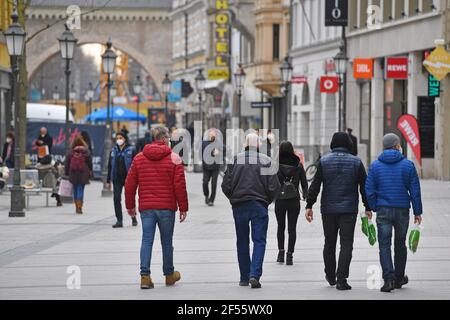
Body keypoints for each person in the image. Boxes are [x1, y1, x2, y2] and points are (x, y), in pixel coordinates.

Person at [305, 132, 371, 291]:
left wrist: (309, 205)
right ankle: (342, 279)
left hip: (328, 209)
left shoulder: (324, 161)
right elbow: (364, 187)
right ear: (348, 144)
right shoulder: (356, 162)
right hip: (349, 210)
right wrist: (368, 207)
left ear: (333, 143)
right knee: (346, 244)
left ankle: (330, 275)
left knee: (329, 242)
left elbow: (315, 185)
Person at [125, 126, 188, 290]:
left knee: (147, 240)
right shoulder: (174, 158)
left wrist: (130, 206)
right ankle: (169, 275)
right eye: (168, 137)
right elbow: (179, 185)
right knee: (167, 242)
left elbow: (130, 184)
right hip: (167, 207)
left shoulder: (139, 158)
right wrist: (183, 207)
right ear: (164, 138)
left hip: (147, 208)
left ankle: (145, 276)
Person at [221, 133, 281, 289]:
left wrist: (233, 198)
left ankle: (243, 277)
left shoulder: (235, 160)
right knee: (259, 240)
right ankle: (255, 275)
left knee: (242, 241)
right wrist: (267, 201)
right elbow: (274, 187)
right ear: (259, 145)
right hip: (259, 205)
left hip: (239, 205)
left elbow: (225, 185)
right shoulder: (266, 161)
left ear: (245, 144)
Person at [365, 133, 423, 293]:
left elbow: (368, 189)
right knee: (400, 244)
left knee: (384, 245)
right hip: (402, 210)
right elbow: (415, 190)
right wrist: (418, 211)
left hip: (383, 210)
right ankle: (399, 277)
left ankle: (388, 279)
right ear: (397, 145)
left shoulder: (375, 166)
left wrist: (373, 206)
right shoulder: (408, 165)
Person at [275, 141, 308, 265]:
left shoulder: (276, 165)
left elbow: (271, 184)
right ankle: (290, 256)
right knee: (292, 228)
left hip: (280, 200)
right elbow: (304, 184)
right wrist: (306, 196)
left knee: (281, 227)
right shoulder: (299, 165)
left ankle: (281, 253)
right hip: (294, 200)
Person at [107, 131, 138, 228]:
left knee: (129, 199)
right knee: (116, 199)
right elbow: (109, 166)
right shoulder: (113, 151)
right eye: (117, 138)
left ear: (124, 139)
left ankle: (133, 217)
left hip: (128, 178)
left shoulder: (131, 150)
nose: (118, 140)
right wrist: (108, 180)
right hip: (117, 178)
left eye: (120, 138)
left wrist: (137, 178)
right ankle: (119, 220)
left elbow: (136, 165)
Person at [65, 134, 93, 214]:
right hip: (83, 173)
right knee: (81, 189)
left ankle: (76, 206)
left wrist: (67, 172)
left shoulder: (71, 151)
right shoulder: (86, 151)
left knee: (75, 189)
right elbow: (90, 162)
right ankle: (80, 207)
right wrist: (90, 170)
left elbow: (67, 163)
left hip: (73, 173)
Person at [202, 130, 221, 206]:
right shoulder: (204, 143)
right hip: (206, 166)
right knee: (205, 182)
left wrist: (219, 152)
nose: (212, 136)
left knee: (214, 183)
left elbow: (226, 149)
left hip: (215, 167)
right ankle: (206, 195)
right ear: (209, 136)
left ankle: (211, 200)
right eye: (211, 135)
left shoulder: (218, 143)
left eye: (214, 135)